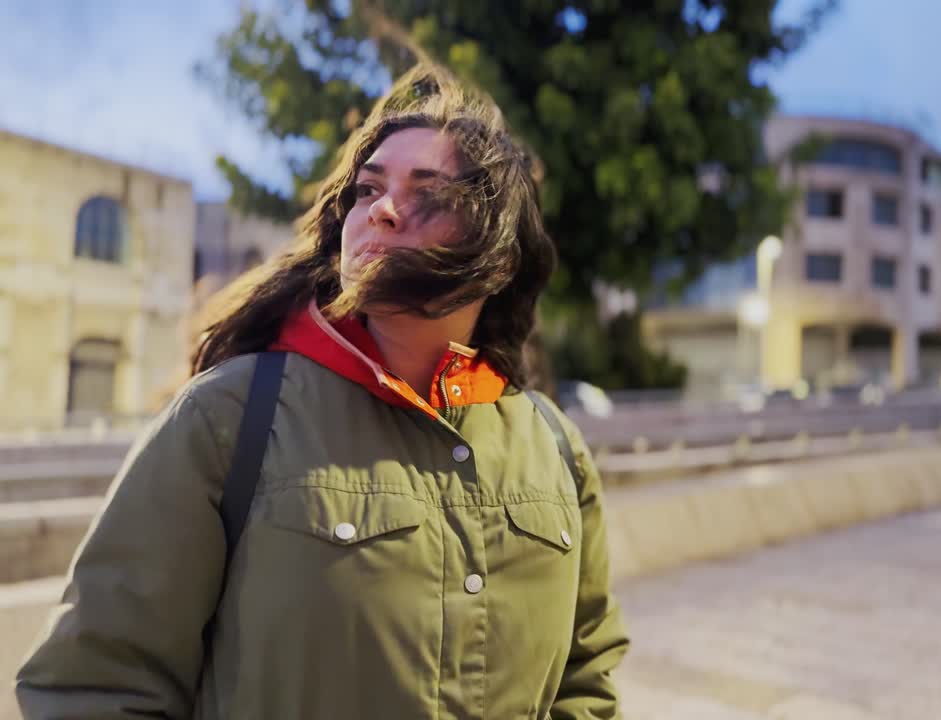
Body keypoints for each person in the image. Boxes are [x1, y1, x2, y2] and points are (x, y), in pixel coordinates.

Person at [15, 61, 628, 719]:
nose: (382, 210)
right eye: (368, 189)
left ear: (501, 259)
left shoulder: (555, 447)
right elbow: (93, 688)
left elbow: (585, 682)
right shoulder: (227, 417)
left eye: (429, 193)